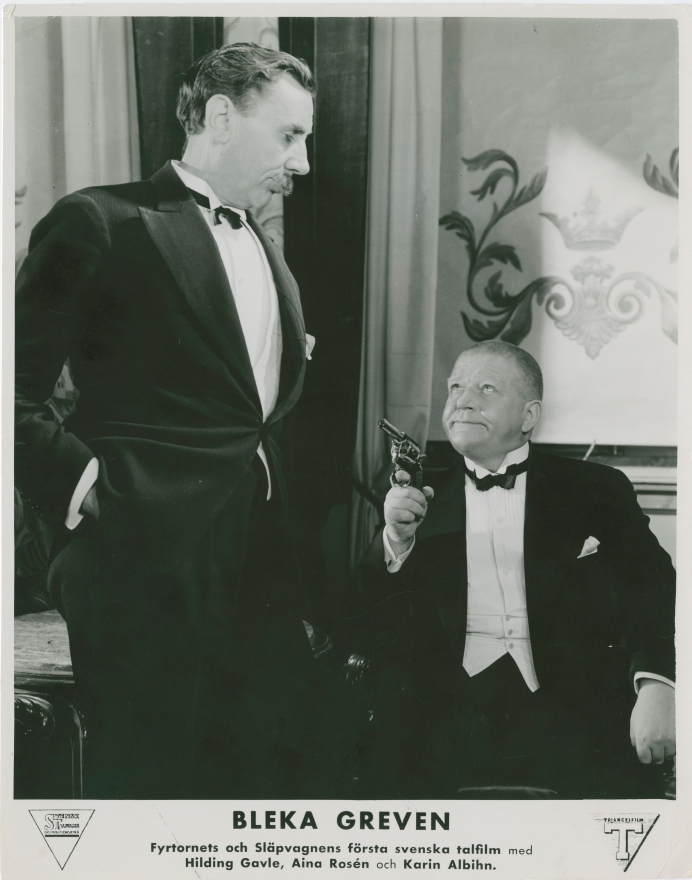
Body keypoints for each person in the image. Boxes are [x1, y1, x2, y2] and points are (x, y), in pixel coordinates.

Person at [15, 43, 323, 799]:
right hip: (140, 562)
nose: (303, 163)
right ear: (221, 117)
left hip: (260, 561)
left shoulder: (263, 245)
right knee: (149, 792)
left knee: (262, 788)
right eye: (290, 135)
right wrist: (89, 487)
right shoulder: (101, 220)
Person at [347, 341, 675, 799]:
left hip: (573, 708)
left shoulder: (595, 488)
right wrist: (395, 541)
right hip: (443, 716)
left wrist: (658, 684)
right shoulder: (416, 496)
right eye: (455, 387)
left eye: (486, 388)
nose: (463, 401)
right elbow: (361, 619)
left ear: (528, 415)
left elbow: (655, 583)